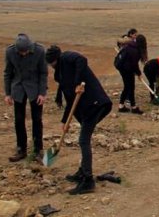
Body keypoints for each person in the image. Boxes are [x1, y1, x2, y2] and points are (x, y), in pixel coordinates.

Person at [45, 45, 112, 195]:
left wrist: (78, 82)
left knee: (83, 140)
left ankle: (88, 180)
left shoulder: (67, 57)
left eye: (51, 62)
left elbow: (82, 59)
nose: (51, 66)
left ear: (56, 59)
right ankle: (82, 172)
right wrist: (64, 121)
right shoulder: (60, 75)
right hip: (85, 109)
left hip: (95, 104)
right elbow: (70, 100)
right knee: (83, 139)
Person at [3, 34, 48, 163]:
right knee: (18, 120)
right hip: (18, 89)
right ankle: (21, 149)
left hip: (35, 89)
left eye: (25, 52)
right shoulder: (10, 51)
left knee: (37, 119)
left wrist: (42, 93)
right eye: (20, 52)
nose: (23, 54)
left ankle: (38, 150)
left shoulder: (39, 50)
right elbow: (7, 73)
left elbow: (43, 73)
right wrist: (8, 93)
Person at [116, 34, 144, 114]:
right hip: (126, 69)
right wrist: (139, 73)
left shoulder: (129, 46)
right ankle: (133, 107)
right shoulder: (135, 50)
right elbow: (134, 64)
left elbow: (132, 62)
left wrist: (137, 72)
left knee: (128, 87)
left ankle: (121, 106)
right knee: (130, 87)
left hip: (123, 67)